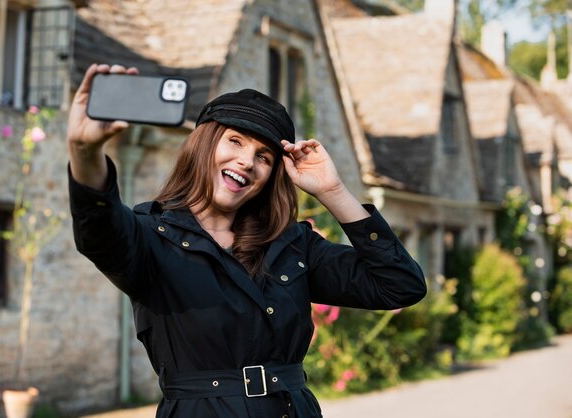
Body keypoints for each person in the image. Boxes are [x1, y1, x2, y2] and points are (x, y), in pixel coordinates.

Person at [67, 63, 426, 418]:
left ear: (271, 175)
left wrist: (333, 192)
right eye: (235, 141)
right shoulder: (150, 235)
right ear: (204, 146)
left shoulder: (292, 245)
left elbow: (399, 285)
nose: (246, 161)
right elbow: (98, 229)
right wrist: (84, 153)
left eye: (264, 156)